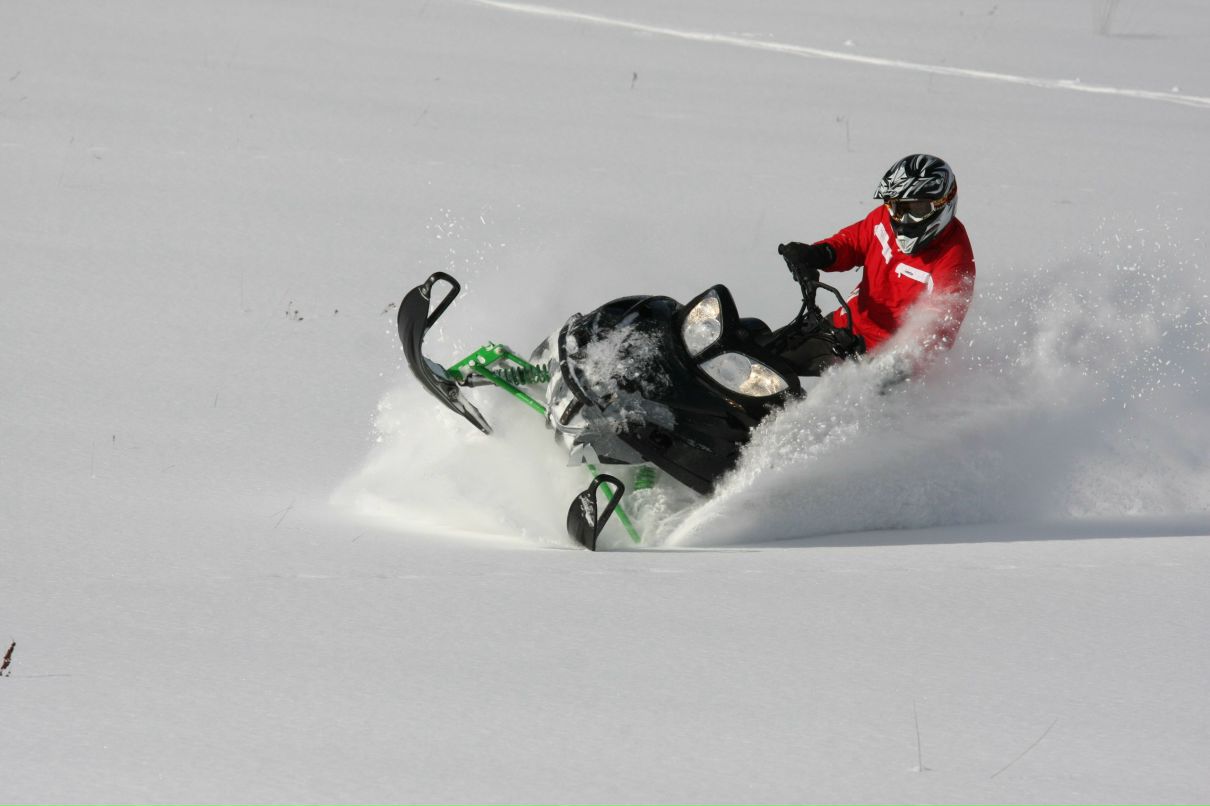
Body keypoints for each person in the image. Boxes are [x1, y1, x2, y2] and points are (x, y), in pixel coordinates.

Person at [777, 153, 976, 374]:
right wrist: (819, 253)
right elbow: (853, 242)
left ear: (943, 203)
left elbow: (937, 330)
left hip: (878, 364)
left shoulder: (954, 263)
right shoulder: (884, 219)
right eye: (898, 208)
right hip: (841, 330)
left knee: (809, 406)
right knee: (757, 359)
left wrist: (899, 364)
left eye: (916, 209)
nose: (903, 219)